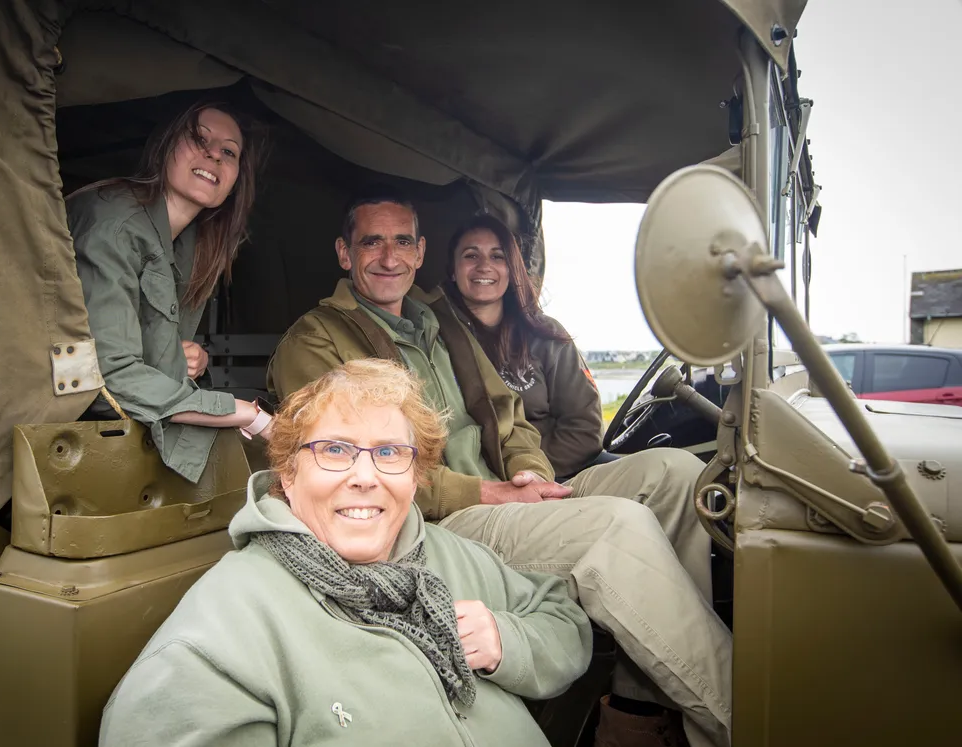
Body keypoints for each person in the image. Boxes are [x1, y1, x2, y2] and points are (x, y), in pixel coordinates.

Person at [267, 192, 732, 747]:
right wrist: (492, 494)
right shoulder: (317, 338)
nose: (388, 257)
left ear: (420, 252)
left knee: (676, 476)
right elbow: (354, 469)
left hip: (505, 493)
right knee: (617, 527)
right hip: (439, 519)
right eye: (372, 242)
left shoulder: (437, 320)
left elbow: (509, 417)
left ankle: (639, 712)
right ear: (345, 253)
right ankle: (745, 718)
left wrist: (531, 476)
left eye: (401, 242)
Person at [99, 359, 594, 746]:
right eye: (334, 450)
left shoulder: (450, 554)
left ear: (415, 475)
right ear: (289, 473)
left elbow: (562, 619)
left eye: (389, 452)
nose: (364, 476)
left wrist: (506, 642)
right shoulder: (223, 634)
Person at [67, 100, 272, 484]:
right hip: (78, 434)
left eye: (229, 152)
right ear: (165, 146)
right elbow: (107, 375)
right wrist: (247, 415)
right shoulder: (114, 222)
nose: (214, 155)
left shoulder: (193, 244)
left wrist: (185, 358)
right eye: (199, 138)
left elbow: (140, 346)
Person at [443, 213, 603, 481]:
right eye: (471, 255)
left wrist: (529, 474)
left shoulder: (546, 335)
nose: (484, 266)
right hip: (476, 482)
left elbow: (584, 429)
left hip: (556, 475)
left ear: (512, 268)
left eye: (498, 256)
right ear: (452, 269)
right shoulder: (435, 335)